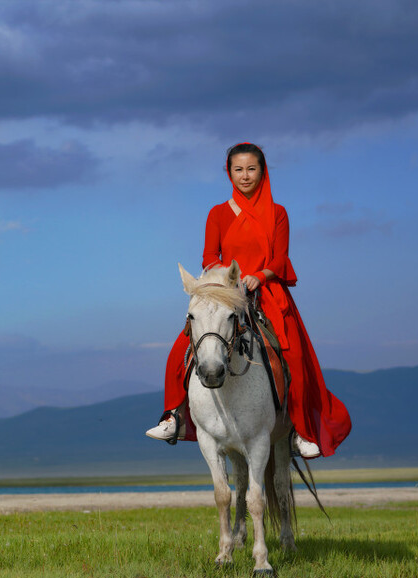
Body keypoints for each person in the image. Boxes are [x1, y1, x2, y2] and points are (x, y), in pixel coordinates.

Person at [146, 142, 351, 458]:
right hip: (226, 292)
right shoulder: (217, 213)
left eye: (251, 169)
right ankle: (175, 416)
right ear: (229, 172)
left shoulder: (278, 213)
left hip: (267, 292)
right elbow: (208, 256)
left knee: (295, 357)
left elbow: (281, 258)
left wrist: (260, 275)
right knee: (181, 349)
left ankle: (300, 431)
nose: (245, 175)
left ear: (262, 171)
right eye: (238, 169)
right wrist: (225, 282)